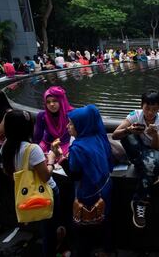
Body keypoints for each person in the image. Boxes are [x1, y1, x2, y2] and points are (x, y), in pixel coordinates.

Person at [56, 104, 113, 256]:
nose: (68, 126)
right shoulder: (99, 137)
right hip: (106, 189)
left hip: (88, 195)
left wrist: (61, 158)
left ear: (81, 125)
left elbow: (75, 175)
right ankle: (105, 250)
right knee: (104, 223)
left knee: (83, 233)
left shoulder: (77, 148)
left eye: (71, 123)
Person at [1, 110, 59, 256]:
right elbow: (45, 177)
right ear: (26, 128)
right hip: (45, 192)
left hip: (23, 193)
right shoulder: (32, 149)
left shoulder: (6, 147)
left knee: (41, 225)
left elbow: (8, 171)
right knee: (49, 229)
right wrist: (51, 160)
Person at [112, 90, 159, 228]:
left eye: (154, 109)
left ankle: (139, 201)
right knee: (126, 137)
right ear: (141, 105)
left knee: (150, 162)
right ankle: (150, 174)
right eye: (147, 108)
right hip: (139, 153)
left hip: (157, 154)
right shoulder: (134, 115)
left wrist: (154, 134)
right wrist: (129, 130)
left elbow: (157, 146)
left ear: (158, 108)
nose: (150, 113)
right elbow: (115, 135)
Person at [33, 86, 74, 158]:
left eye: (55, 101)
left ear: (61, 100)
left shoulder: (72, 114)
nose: (51, 104)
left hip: (66, 145)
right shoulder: (42, 116)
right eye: (48, 102)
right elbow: (37, 137)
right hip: (46, 145)